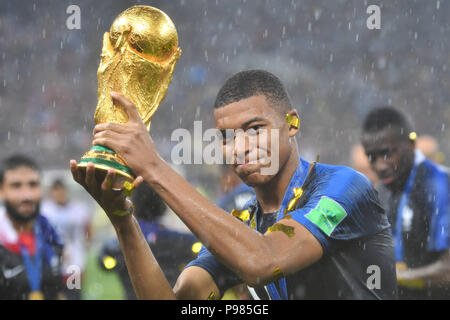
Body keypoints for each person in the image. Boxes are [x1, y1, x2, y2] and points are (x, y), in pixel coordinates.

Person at [70, 69, 397, 300]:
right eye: (227, 137)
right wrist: (123, 220)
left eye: (255, 128)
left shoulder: (343, 186)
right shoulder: (240, 224)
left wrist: (155, 166)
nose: (240, 146)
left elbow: (264, 262)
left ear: (292, 123)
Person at [361, 107, 450, 299]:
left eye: (386, 154)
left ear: (410, 144)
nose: (379, 165)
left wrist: (398, 277)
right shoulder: (383, 189)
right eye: (371, 157)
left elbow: (448, 270)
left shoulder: (439, 183)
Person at [98, 182, 199, 300]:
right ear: (162, 205)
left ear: (133, 204)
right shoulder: (183, 242)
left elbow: (104, 262)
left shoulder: (117, 245)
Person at [0, 154, 64, 300]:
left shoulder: (53, 235)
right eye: (16, 186)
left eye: (33, 185)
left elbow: (69, 285)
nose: (27, 195)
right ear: (1, 191)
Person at [41, 178, 93, 300]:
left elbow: (88, 229)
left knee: (73, 293)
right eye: (56, 191)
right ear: (51, 193)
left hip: (74, 262)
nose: (59, 194)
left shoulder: (79, 209)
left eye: (61, 190)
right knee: (53, 294)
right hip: (52, 261)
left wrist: (85, 244)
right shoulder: (45, 210)